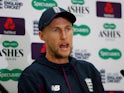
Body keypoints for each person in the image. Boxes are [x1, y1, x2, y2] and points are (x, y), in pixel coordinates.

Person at [18, 7, 104, 93]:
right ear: (42, 36)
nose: (64, 36)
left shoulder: (88, 70)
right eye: (56, 30)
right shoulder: (31, 76)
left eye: (67, 29)